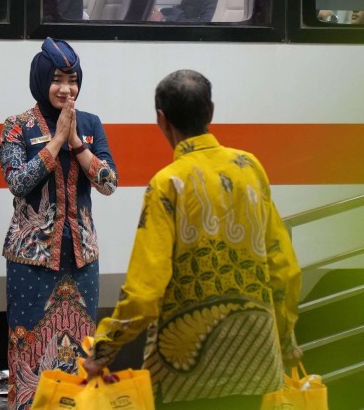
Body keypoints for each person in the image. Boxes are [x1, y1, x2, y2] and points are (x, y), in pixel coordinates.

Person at [82, 69, 302, 410]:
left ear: (161, 119)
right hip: (256, 363)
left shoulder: (167, 185)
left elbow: (145, 292)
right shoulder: (250, 167)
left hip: (183, 376)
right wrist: (285, 342)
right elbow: (284, 268)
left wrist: (103, 349)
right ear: (210, 112)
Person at [0, 38, 119, 410]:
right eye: (57, 80)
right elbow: (17, 182)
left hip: (82, 258)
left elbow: (109, 183)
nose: (66, 89)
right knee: (30, 348)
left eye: (72, 79)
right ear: (40, 80)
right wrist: (55, 144)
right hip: (31, 262)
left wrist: (78, 145)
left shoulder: (91, 124)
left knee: (81, 349)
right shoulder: (16, 126)